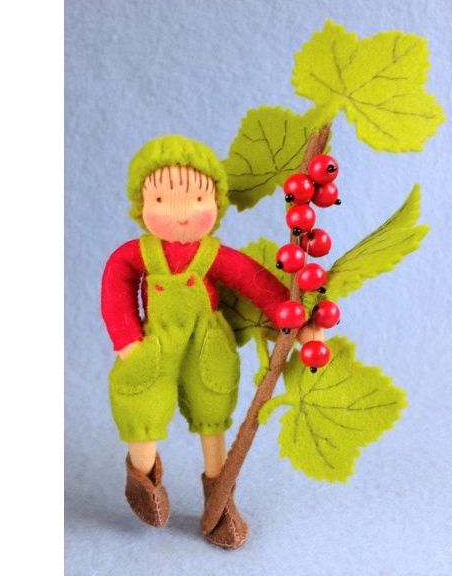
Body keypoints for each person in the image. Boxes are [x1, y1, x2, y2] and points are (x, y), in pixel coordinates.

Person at [101, 135, 321, 548]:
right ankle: (142, 477)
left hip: (207, 345)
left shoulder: (214, 255)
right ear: (141, 204)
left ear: (215, 202)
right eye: (162, 200)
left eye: (197, 198)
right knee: (142, 403)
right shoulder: (138, 254)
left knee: (213, 410)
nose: (182, 214)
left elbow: (254, 281)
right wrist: (127, 338)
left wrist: (293, 316)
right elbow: (117, 281)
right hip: (154, 344)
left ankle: (218, 497)